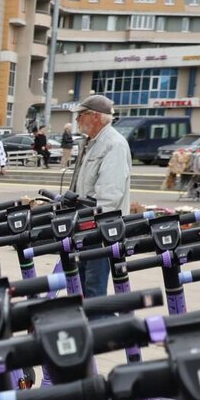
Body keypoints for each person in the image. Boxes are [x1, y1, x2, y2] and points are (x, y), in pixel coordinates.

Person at [69, 94, 130, 297]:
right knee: (82, 284)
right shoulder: (92, 142)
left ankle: (97, 324)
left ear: (95, 116)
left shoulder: (114, 144)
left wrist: (91, 221)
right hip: (85, 224)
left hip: (100, 227)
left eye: (81, 115)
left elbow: (110, 194)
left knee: (94, 287)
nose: (77, 119)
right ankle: (86, 323)